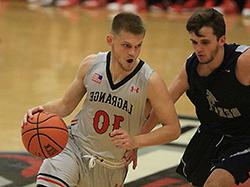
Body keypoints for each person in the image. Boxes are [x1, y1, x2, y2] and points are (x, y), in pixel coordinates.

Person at [22, 12, 180, 187]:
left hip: (111, 167)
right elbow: (65, 105)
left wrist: (136, 141)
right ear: (110, 40)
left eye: (138, 46)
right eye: (126, 45)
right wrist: (41, 110)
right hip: (74, 147)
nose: (133, 53)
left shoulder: (150, 81)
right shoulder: (91, 64)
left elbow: (173, 129)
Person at [144, 7, 250, 187]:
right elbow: (164, 102)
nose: (198, 49)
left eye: (205, 42)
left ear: (222, 40)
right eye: (194, 42)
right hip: (212, 132)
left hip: (245, 136)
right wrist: (138, 138)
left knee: (216, 183)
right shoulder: (191, 67)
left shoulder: (243, 62)